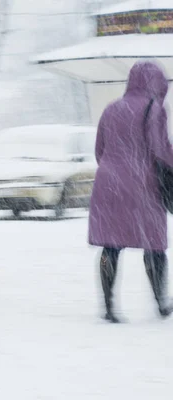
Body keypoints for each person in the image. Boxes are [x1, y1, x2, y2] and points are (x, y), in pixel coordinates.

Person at [89, 60, 173, 323]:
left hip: (108, 184)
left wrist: (115, 169)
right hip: (143, 186)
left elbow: (99, 149)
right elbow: (160, 150)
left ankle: (108, 305)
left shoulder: (112, 108)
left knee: (111, 246)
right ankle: (161, 302)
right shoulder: (154, 109)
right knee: (154, 246)